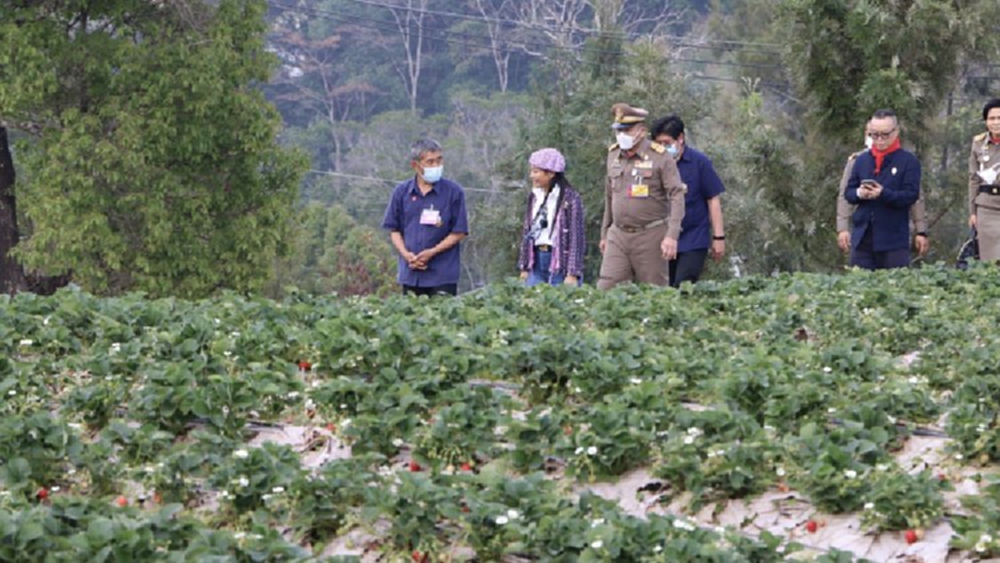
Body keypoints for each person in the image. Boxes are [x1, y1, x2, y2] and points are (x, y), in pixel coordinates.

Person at [598, 103, 686, 289]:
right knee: (606, 288)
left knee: (654, 293)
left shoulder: (660, 157)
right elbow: (609, 196)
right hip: (618, 234)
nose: (622, 135)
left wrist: (672, 236)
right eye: (618, 130)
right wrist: (605, 233)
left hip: (651, 235)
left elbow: (677, 195)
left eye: (627, 130)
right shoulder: (613, 155)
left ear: (641, 131)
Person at [381, 139, 469, 296]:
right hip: (410, 274)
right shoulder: (401, 192)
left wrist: (432, 252)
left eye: (439, 160)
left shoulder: (454, 192)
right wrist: (406, 255)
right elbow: (394, 229)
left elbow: (459, 232)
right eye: (430, 162)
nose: (436, 166)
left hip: (442, 275)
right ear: (415, 165)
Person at [650, 114, 725, 287]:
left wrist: (718, 237)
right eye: (658, 144)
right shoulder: (653, 165)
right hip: (662, 239)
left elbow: (713, 198)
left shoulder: (700, 163)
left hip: (692, 238)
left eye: (666, 143)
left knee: (683, 285)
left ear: (681, 139)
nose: (662, 148)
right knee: (662, 290)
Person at [837, 121, 929, 257]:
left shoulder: (904, 161)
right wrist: (843, 228)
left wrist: (921, 229)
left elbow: (915, 197)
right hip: (863, 231)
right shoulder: (857, 161)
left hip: (894, 232)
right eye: (872, 134)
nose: (877, 139)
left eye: (884, 134)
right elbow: (845, 196)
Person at [517, 148, 586, 286]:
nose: (531, 176)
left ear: (551, 173)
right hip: (536, 260)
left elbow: (576, 237)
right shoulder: (534, 197)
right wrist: (524, 267)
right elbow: (527, 232)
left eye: (536, 171)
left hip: (559, 262)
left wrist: (572, 272)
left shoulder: (570, 198)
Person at [968, 97, 1000, 262]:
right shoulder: (978, 143)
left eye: (999, 118)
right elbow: (974, 179)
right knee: (990, 262)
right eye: (991, 118)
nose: (996, 122)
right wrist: (972, 212)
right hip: (987, 207)